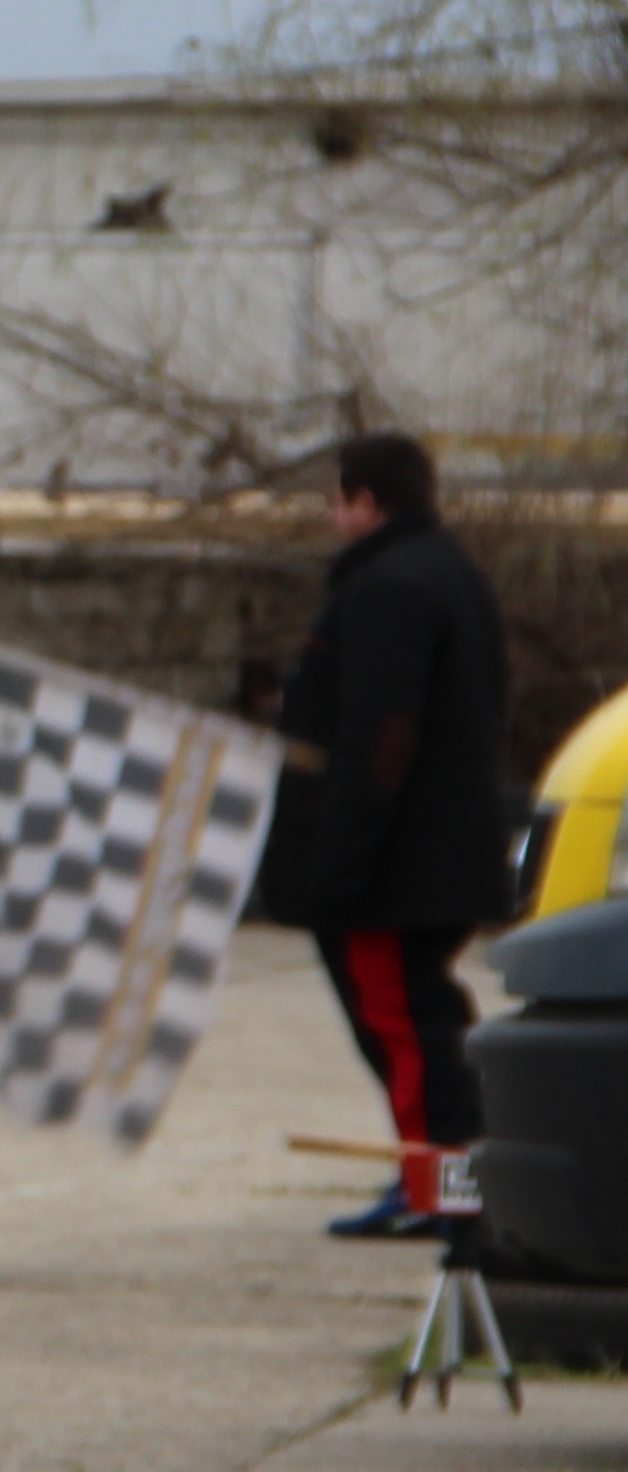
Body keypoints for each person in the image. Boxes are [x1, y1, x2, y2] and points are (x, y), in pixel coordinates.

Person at [256, 431, 517, 1235]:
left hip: (398, 869)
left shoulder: (390, 587)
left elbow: (382, 734)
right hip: (443, 849)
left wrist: (340, 864)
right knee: (426, 1019)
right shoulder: (452, 572)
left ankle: (439, 1190)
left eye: (339, 502)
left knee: (406, 1028)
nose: (335, 518)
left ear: (365, 501)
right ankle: (450, 1176)